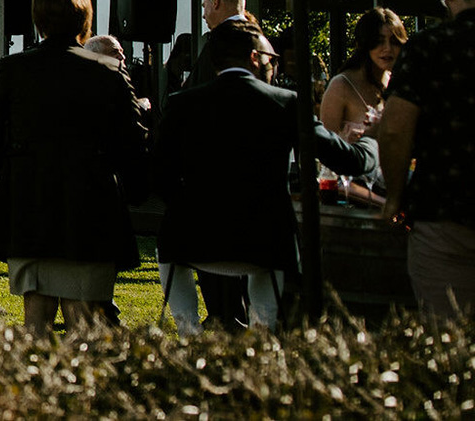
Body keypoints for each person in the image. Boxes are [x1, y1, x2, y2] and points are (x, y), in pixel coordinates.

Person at [151, 21, 373, 333]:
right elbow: (346, 159)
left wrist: (187, 204)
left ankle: (188, 329)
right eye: (272, 59)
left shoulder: (181, 103)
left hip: (190, 239)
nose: (273, 66)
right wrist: (371, 140)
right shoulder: (285, 102)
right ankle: (262, 332)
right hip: (264, 242)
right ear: (255, 58)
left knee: (168, 253)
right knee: (267, 276)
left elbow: (159, 174)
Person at [0, 0, 146, 331]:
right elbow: (133, 142)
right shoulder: (106, 71)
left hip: (29, 206)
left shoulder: (14, 68)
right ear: (85, 19)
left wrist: (20, 170)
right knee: (84, 321)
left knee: (35, 316)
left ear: (38, 20)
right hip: (89, 209)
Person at [379, 0, 475, 317]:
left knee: (446, 340)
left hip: (443, 210)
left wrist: (394, 198)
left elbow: (394, 131)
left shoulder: (428, 48)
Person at [318, 7, 407, 200]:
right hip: (353, 194)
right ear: (365, 44)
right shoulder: (341, 85)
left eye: (394, 41)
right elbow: (325, 158)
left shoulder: (397, 83)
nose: (387, 49)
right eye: (379, 41)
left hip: (394, 188)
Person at [184, 0, 252, 88]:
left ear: (215, 2)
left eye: (204, 6)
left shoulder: (218, 43)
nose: (203, 15)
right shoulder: (263, 43)